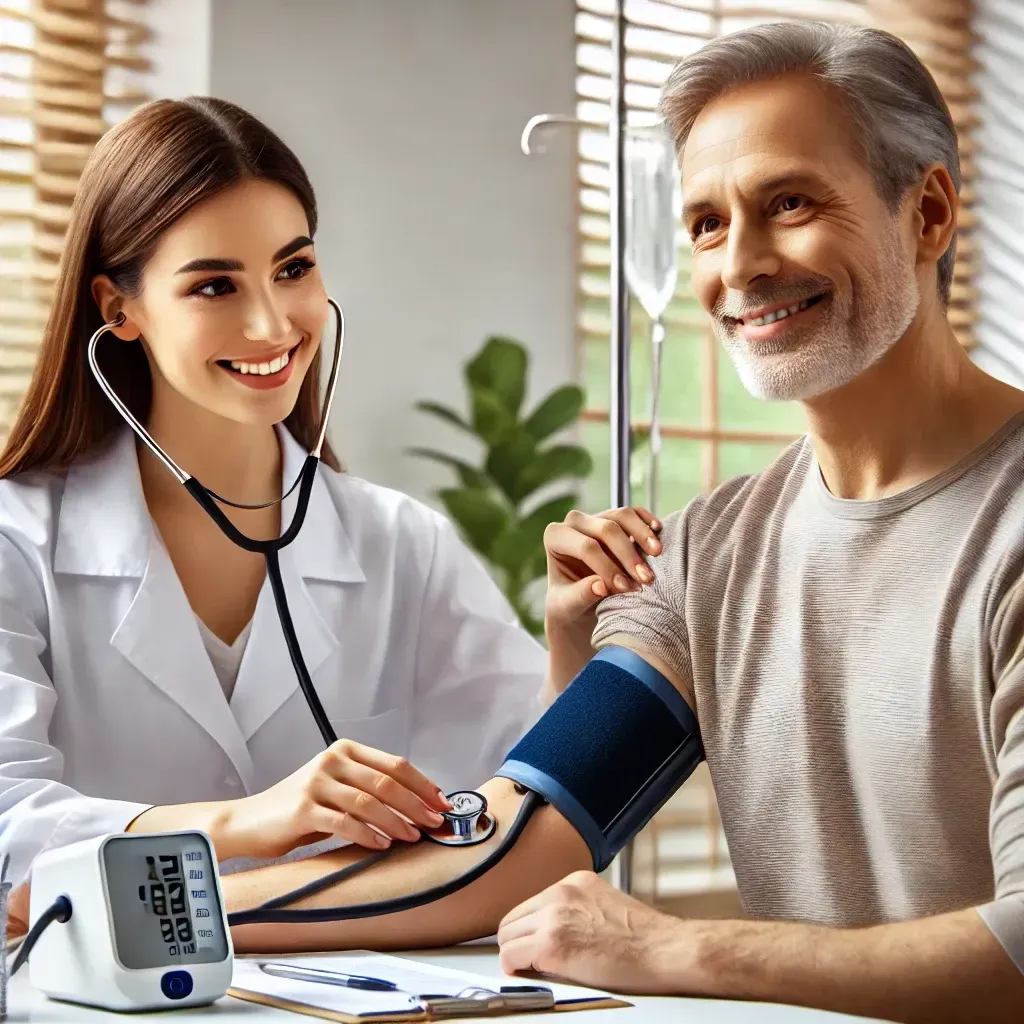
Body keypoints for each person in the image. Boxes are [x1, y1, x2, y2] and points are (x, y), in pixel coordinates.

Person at [0, 96, 661, 891]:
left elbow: (528, 803)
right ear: (120, 309)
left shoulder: (400, 544)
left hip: (347, 1000)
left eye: (293, 268)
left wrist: (569, 637)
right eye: (215, 286)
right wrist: (251, 823)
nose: (273, 323)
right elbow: (10, 829)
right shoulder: (18, 540)